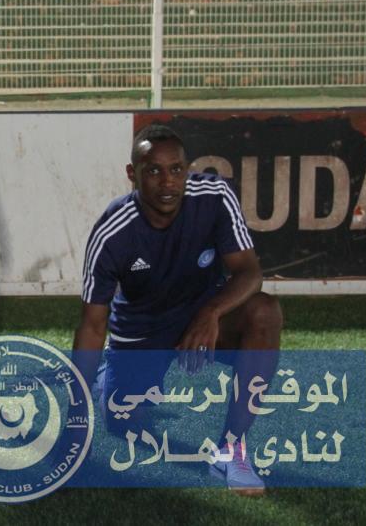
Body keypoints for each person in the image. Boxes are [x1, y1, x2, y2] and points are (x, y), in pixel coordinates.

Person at [71, 124, 283, 495]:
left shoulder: (214, 196)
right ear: (132, 173)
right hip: (142, 332)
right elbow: (92, 325)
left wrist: (210, 313)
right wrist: (74, 421)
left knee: (264, 312)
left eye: (176, 169)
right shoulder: (112, 232)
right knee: (124, 423)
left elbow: (250, 272)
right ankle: (110, 379)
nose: (167, 182)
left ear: (187, 169)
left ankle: (231, 450)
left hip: (201, 313)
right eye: (153, 170)